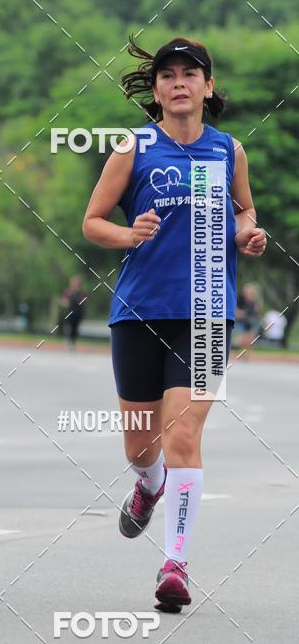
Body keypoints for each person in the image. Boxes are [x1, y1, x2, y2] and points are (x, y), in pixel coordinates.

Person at [83, 36, 267, 611]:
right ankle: (149, 482)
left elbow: (243, 211)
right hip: (139, 310)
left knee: (183, 435)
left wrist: (247, 233)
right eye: (168, 75)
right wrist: (127, 233)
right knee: (142, 444)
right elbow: (92, 222)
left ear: (208, 87)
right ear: (157, 89)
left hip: (210, 311)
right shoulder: (133, 147)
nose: (179, 82)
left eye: (191, 73)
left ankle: (176, 564)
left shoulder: (228, 150)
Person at [60, 276, 87, 350]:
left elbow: (84, 302)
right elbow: (64, 301)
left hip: (78, 313)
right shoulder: (68, 292)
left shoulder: (81, 292)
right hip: (70, 313)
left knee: (75, 328)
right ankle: (69, 342)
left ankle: (73, 343)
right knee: (70, 328)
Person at [235, 282, 262, 352]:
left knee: (250, 340)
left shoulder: (255, 302)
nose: (248, 294)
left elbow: (257, 313)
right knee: (241, 340)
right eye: (247, 292)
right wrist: (242, 313)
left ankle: (248, 355)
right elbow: (237, 312)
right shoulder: (240, 301)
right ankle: (241, 353)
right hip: (242, 322)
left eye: (250, 292)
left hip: (252, 322)